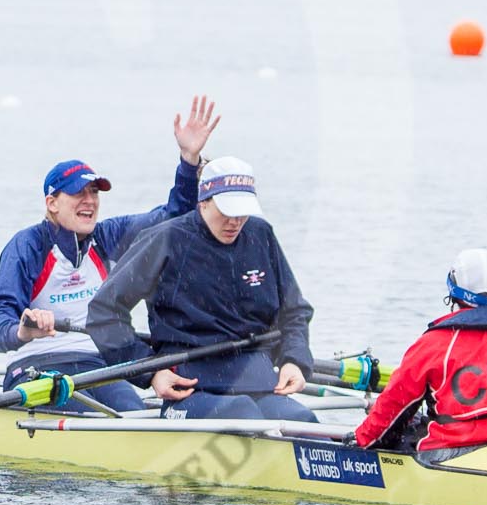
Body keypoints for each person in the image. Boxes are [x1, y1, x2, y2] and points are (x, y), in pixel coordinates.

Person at [0, 99, 218, 412]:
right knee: (102, 421)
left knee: (132, 416)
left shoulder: (107, 236)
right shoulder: (28, 245)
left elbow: (173, 219)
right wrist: (23, 330)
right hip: (36, 367)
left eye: (94, 192)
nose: (90, 201)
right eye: (78, 193)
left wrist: (189, 162)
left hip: (98, 363)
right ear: (52, 202)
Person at [86, 156, 316, 422]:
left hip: (258, 381)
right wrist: (150, 372)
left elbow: (294, 311)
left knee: (303, 420)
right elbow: (104, 312)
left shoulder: (260, 234)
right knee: (241, 415)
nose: (235, 221)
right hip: (188, 386)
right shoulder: (166, 239)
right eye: (227, 211)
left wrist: (294, 361)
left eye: (242, 212)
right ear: (203, 201)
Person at [351, 250, 487, 455]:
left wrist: (359, 441)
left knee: (399, 430)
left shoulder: (433, 344)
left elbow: (392, 408)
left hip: (447, 453)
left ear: (453, 289)